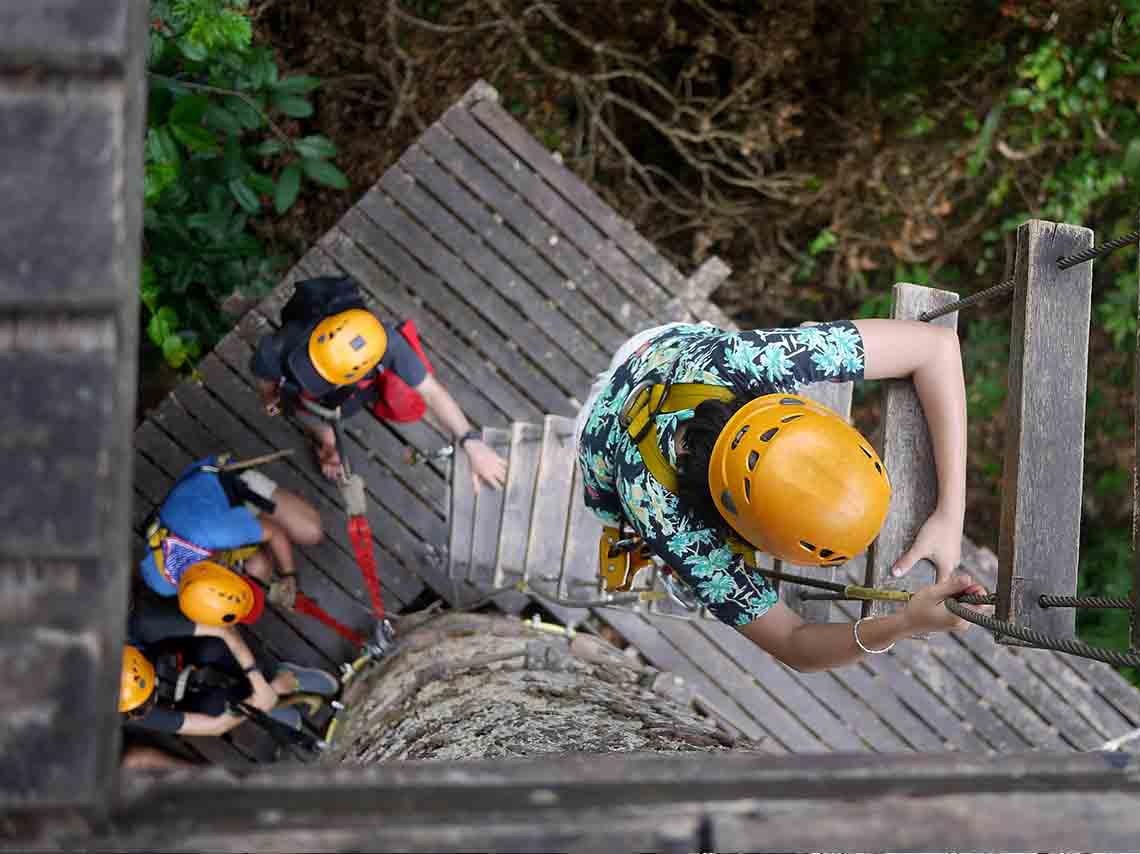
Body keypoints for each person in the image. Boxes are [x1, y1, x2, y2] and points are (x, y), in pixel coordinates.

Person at [575, 319, 985, 671]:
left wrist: (951, 512)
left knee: (702, 569)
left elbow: (936, 348)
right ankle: (683, 574)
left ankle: (688, 576)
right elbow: (792, 644)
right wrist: (903, 624)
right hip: (600, 447)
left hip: (657, 356)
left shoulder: (739, 361)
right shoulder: (669, 520)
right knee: (686, 560)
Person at [249, 275, 505, 492]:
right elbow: (263, 373)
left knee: (405, 401)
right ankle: (327, 444)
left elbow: (431, 391)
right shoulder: (280, 346)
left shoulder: (387, 344)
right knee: (315, 420)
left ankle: (332, 436)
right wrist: (270, 396)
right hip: (308, 399)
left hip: (357, 391)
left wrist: (472, 443)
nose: (315, 374)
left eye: (323, 375)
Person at [120, 594, 338, 738]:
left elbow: (223, 630)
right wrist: (259, 702)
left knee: (213, 648)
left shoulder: (140, 626)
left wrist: (259, 680)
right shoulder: (127, 705)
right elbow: (213, 727)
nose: (143, 714)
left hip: (190, 645)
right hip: (182, 692)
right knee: (217, 711)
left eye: (146, 704)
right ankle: (271, 701)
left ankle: (279, 674)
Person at [139, 455, 322, 609]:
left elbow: (276, 532)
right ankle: (256, 532)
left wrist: (288, 575)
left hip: (227, 485)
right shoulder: (163, 582)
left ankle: (283, 509)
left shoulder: (219, 533)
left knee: (310, 532)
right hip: (204, 513)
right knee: (259, 569)